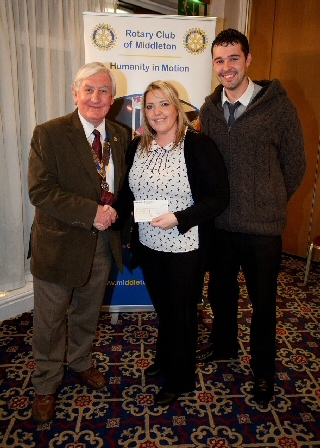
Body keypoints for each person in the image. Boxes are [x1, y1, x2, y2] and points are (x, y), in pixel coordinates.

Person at [198, 28, 306, 405]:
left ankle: (263, 371)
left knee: (263, 305)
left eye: (233, 58)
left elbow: (295, 165)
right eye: (219, 60)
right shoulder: (209, 110)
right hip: (220, 225)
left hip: (262, 229)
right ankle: (225, 345)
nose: (226, 67)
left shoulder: (278, 107)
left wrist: (271, 199)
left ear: (248, 60)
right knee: (220, 294)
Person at [116, 80, 229, 406]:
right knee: (164, 309)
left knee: (181, 314)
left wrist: (178, 217)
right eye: (150, 106)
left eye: (163, 104)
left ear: (176, 107)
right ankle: (166, 359)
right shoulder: (138, 146)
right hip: (149, 244)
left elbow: (218, 198)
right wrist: (111, 212)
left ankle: (181, 379)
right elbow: (127, 194)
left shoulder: (197, 146)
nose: (156, 112)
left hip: (184, 248)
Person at [28, 62, 130, 423]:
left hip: (103, 245)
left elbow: (123, 189)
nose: (96, 97)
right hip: (59, 244)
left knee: (88, 312)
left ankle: (81, 362)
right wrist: (92, 212)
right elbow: (40, 191)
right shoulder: (49, 133)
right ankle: (45, 383)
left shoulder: (120, 135)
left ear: (113, 98)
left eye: (104, 90)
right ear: (75, 93)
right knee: (51, 321)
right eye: (89, 89)